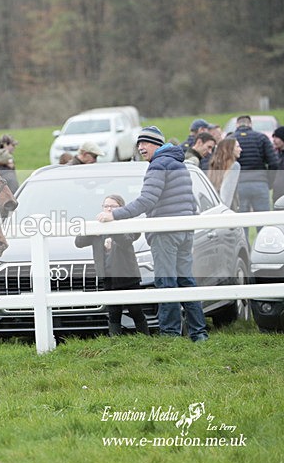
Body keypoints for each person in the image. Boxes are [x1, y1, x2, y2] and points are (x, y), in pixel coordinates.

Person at [97, 126, 208, 342]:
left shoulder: (158, 165)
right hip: (184, 231)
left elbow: (147, 200)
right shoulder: (179, 164)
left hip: (166, 233)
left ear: (156, 144)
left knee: (166, 284)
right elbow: (189, 202)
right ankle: (199, 333)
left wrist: (115, 215)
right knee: (186, 282)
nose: (140, 148)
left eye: (144, 143)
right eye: (138, 144)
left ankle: (170, 336)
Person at [76, 194, 149, 336]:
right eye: (106, 206)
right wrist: (93, 229)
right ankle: (115, 341)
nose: (108, 209)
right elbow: (78, 242)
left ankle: (144, 337)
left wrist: (111, 228)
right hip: (108, 276)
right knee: (114, 312)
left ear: (121, 208)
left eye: (113, 206)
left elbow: (126, 241)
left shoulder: (128, 224)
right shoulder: (97, 226)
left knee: (135, 310)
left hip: (127, 275)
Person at [232, 114, 279, 216]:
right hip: (260, 182)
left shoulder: (231, 139)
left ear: (237, 125)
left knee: (241, 221)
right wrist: (269, 181)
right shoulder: (262, 138)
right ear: (250, 124)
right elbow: (274, 163)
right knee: (263, 219)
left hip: (239, 184)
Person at [207, 137, 242, 209]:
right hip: (227, 210)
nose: (240, 149)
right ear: (230, 149)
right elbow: (226, 194)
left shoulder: (215, 165)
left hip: (214, 208)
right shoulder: (234, 166)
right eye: (237, 146)